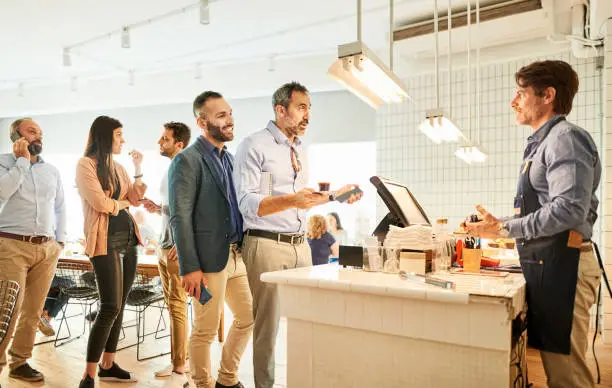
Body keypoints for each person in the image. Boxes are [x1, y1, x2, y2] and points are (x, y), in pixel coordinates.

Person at [464, 60, 602, 388]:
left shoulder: (565, 139)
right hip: (551, 264)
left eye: (521, 93)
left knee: (568, 376)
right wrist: (498, 225)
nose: (514, 101)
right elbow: (544, 208)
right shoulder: (542, 144)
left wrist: (507, 230)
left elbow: (568, 210)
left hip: (566, 265)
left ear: (547, 96)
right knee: (558, 369)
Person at [233, 81, 362, 388]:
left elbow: (302, 197)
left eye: (309, 109)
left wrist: (336, 197)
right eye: (301, 108)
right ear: (281, 110)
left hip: (299, 244)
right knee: (268, 327)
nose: (307, 115)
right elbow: (248, 203)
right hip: (266, 244)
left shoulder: (299, 149)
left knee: (306, 319)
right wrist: (292, 200)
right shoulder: (254, 145)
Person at [169, 91, 253, 388]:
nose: (229, 120)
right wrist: (190, 267)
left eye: (229, 113)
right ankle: (203, 384)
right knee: (204, 331)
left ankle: (227, 379)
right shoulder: (186, 161)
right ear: (201, 122)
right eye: (221, 116)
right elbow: (180, 217)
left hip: (236, 256)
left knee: (248, 317)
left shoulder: (228, 159)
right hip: (207, 262)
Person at [75, 115, 147, 388]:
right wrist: (124, 203)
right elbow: (102, 204)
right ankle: (89, 375)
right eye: (118, 135)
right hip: (105, 241)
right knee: (109, 307)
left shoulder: (117, 167)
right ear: (105, 137)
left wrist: (138, 167)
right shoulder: (85, 165)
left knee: (120, 305)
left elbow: (135, 198)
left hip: (129, 240)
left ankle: (108, 365)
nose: (123, 140)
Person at [0, 118, 66, 383]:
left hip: (46, 249)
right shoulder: (4, 162)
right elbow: (3, 191)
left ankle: (20, 362)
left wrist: (59, 242)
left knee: (33, 309)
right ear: (16, 135)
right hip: (11, 245)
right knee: (6, 309)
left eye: (39, 131)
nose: (38, 134)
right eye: (31, 131)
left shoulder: (52, 170)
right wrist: (22, 161)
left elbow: (61, 206)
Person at [141, 122, 192, 387]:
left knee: (177, 305)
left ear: (179, 143)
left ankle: (180, 366)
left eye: (165, 139)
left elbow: (193, 210)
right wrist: (157, 208)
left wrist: (183, 244)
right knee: (172, 305)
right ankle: (179, 360)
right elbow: (175, 208)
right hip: (164, 245)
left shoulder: (185, 168)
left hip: (175, 248)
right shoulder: (172, 168)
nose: (160, 142)